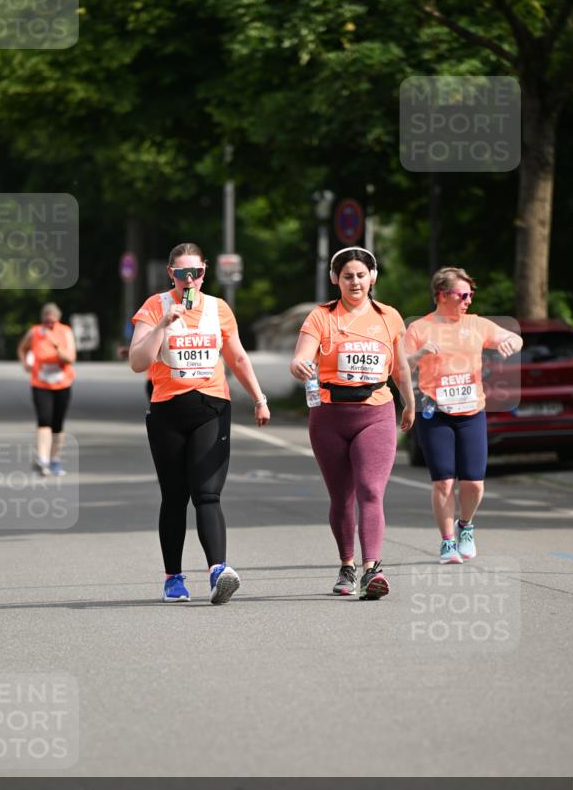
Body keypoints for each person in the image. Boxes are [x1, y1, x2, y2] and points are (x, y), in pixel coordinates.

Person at [129, 242, 270, 604]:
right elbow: (137, 361)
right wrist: (163, 323)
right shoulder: (154, 307)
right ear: (171, 274)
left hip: (211, 407)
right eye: (182, 273)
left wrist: (259, 398)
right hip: (167, 411)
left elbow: (236, 356)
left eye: (197, 272)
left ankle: (218, 571)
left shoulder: (219, 309)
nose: (190, 279)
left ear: (205, 272)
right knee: (175, 497)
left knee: (208, 494)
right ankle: (173, 578)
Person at [290, 247, 415, 600]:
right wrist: (299, 365)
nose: (355, 282)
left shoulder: (389, 316)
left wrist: (409, 403)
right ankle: (347, 564)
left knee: (371, 491)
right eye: (348, 276)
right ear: (336, 279)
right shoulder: (321, 316)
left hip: (376, 411)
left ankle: (372, 569)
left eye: (361, 275)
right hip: (329, 415)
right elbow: (301, 354)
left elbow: (400, 367)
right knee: (341, 497)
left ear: (372, 277)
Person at [404, 266, 522, 564]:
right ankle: (447, 542)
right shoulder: (420, 328)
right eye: (463, 294)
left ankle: (465, 526)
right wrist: (418, 356)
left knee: (473, 483)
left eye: (471, 294)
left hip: (471, 412)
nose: (469, 299)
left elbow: (514, 338)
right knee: (443, 482)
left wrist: (511, 342)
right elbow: (400, 366)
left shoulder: (477, 324)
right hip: (436, 413)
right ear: (443, 295)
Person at [17, 303, 77, 476]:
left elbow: (70, 358)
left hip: (62, 382)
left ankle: (55, 459)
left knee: (57, 423)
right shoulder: (35, 332)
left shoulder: (65, 332)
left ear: (57, 319)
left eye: (52, 321)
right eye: (46, 320)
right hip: (40, 382)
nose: (49, 324)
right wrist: (25, 363)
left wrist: (56, 345)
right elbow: (22, 348)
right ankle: (42, 459)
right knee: (44, 420)